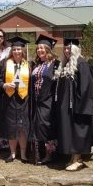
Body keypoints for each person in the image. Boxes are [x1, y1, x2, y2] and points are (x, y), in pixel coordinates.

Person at [54, 38, 93, 171]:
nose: (66, 51)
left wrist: (81, 106)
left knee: (77, 131)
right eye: (65, 48)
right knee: (70, 132)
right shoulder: (66, 65)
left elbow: (86, 87)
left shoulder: (81, 64)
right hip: (67, 107)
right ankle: (73, 158)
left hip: (77, 106)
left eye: (69, 48)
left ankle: (78, 159)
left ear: (76, 49)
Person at [0, 36, 31, 163]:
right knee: (11, 126)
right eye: (14, 49)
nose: (16, 52)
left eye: (19, 49)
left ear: (23, 51)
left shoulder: (30, 64)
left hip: (24, 100)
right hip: (9, 100)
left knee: (23, 126)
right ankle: (12, 153)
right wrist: (4, 85)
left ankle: (23, 153)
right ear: (11, 51)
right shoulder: (3, 64)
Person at [30, 34, 59, 165]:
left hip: (48, 100)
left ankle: (49, 154)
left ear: (48, 49)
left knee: (46, 125)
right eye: (38, 48)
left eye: (43, 48)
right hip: (35, 100)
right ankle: (37, 155)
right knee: (36, 126)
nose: (40, 50)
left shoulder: (55, 64)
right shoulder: (36, 64)